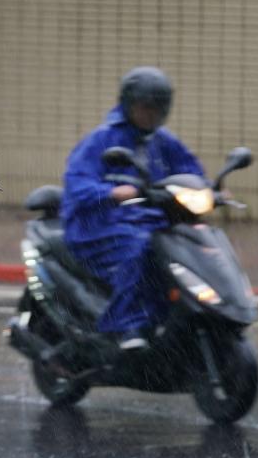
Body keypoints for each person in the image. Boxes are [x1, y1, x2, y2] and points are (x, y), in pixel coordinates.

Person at [61, 66, 206, 350]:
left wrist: (211, 190)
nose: (150, 114)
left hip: (144, 223)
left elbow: (190, 171)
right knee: (139, 250)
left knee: (184, 245)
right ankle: (126, 326)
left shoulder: (164, 142)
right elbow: (76, 183)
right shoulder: (102, 139)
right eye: (144, 107)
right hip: (97, 227)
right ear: (128, 104)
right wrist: (111, 193)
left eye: (158, 108)